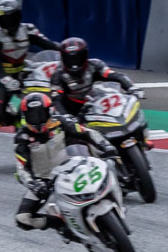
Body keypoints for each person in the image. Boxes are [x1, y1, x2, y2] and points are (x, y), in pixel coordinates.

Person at [12, 90, 116, 237]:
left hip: (74, 166)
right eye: (32, 116)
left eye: (40, 114)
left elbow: (87, 132)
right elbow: (21, 168)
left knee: (109, 163)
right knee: (22, 219)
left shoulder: (61, 122)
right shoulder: (22, 138)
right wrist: (33, 184)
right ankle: (61, 224)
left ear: (49, 111)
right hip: (45, 181)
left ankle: (114, 196)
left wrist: (105, 145)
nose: (37, 120)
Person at [0, 0, 57, 125]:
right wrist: (7, 80)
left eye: (10, 18)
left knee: (43, 98)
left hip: (24, 72)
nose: (7, 22)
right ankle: (16, 121)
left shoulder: (28, 29)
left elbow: (48, 45)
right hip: (4, 76)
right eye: (3, 19)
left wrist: (65, 51)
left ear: (18, 16)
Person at [46, 36, 136, 117]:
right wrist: (65, 116)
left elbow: (117, 75)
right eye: (70, 59)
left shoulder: (95, 64)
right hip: (72, 110)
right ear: (63, 58)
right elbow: (56, 100)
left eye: (78, 58)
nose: (74, 62)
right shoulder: (57, 75)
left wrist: (131, 87)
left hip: (95, 103)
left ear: (85, 55)